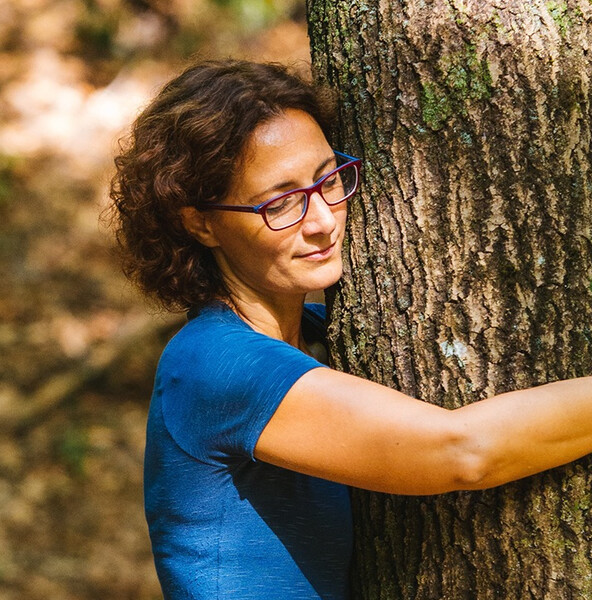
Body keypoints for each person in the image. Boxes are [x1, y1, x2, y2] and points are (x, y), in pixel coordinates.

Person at [109, 59, 592, 600]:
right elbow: (461, 452)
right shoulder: (212, 365)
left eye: (328, 179)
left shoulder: (319, 334)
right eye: (281, 202)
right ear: (200, 222)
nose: (322, 221)